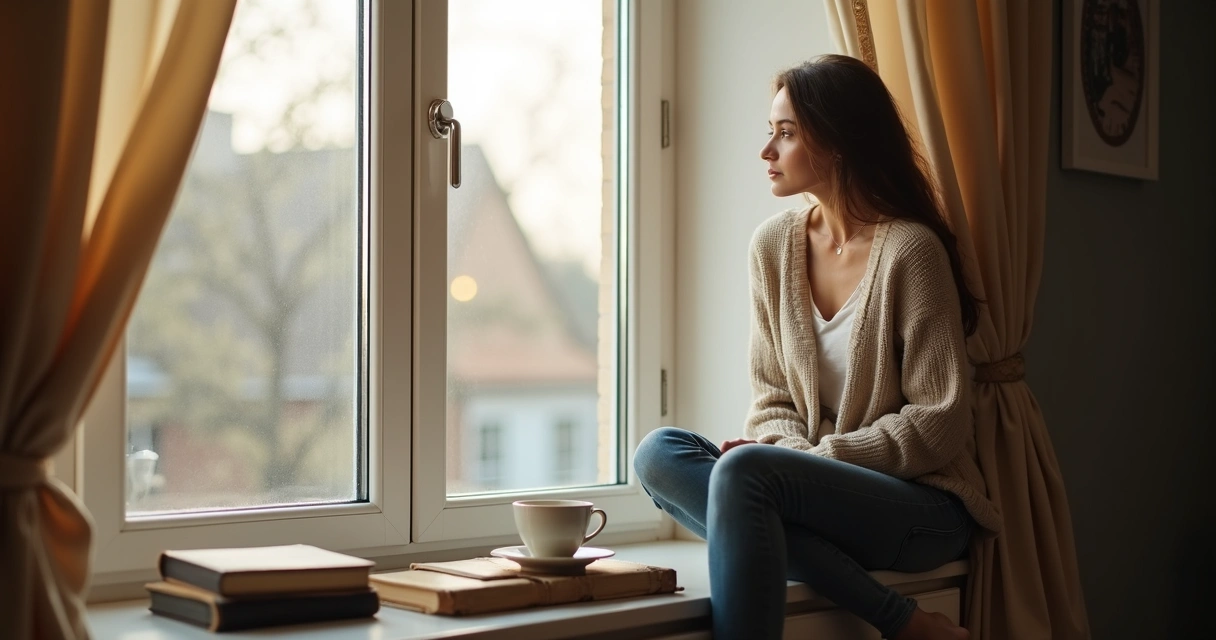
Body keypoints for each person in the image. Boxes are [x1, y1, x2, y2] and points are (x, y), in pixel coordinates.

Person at [633, 54, 1001, 640]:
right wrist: (789, 461)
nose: (767, 152)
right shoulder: (772, 246)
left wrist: (812, 462)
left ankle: (889, 613)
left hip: (923, 506)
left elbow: (940, 424)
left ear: (838, 143)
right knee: (657, 453)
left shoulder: (912, 251)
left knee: (747, 471)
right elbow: (772, 397)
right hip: (811, 497)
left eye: (786, 133)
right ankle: (902, 621)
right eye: (770, 132)